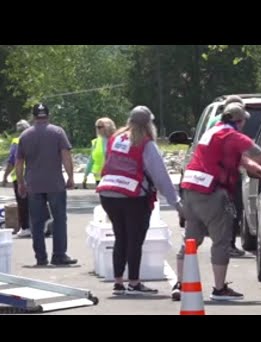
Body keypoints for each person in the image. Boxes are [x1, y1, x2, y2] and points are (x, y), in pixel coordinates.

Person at [171, 103, 261, 301]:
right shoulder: (233, 136)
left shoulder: (212, 132)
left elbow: (245, 162)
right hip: (212, 192)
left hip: (190, 188)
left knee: (191, 239)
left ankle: (181, 284)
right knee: (221, 241)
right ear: (239, 121)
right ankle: (219, 289)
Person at [97, 105, 184, 296]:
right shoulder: (145, 144)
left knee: (120, 237)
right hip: (133, 197)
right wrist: (176, 203)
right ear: (148, 124)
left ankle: (119, 282)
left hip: (108, 194)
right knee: (134, 240)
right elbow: (160, 176)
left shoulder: (116, 137)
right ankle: (134, 283)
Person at [16, 103, 77, 266]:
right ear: (48, 115)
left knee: (36, 222)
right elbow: (66, 156)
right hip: (55, 184)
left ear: (34, 116)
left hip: (34, 184)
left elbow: (19, 162)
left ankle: (40, 257)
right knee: (59, 219)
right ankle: (59, 255)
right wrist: (70, 177)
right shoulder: (57, 132)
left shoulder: (25, 136)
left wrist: (21, 182)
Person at [206, 95, 247, 257]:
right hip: (227, 172)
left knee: (221, 210)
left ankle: (222, 243)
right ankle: (227, 244)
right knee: (233, 208)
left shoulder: (214, 122)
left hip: (216, 173)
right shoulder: (228, 128)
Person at [2, 120, 31, 237]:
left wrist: (5, 176)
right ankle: (40, 226)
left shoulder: (17, 142)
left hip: (19, 177)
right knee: (36, 202)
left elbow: (12, 162)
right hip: (34, 176)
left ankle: (25, 228)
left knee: (22, 203)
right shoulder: (34, 140)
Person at [83, 117, 117, 188]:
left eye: (100, 127)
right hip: (99, 177)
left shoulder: (116, 140)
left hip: (112, 177)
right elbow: (91, 160)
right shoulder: (96, 142)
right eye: (96, 127)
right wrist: (85, 175)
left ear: (108, 127)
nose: (97, 129)